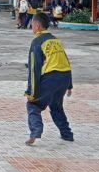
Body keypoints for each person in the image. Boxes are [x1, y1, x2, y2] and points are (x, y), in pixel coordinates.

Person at [25, 12, 75, 145]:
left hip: (51, 77)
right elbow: (66, 61)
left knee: (33, 104)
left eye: (32, 25)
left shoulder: (37, 42)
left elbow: (34, 69)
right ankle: (67, 134)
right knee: (56, 106)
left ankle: (36, 130)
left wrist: (31, 92)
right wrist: (69, 85)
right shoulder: (55, 40)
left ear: (37, 26)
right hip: (64, 77)